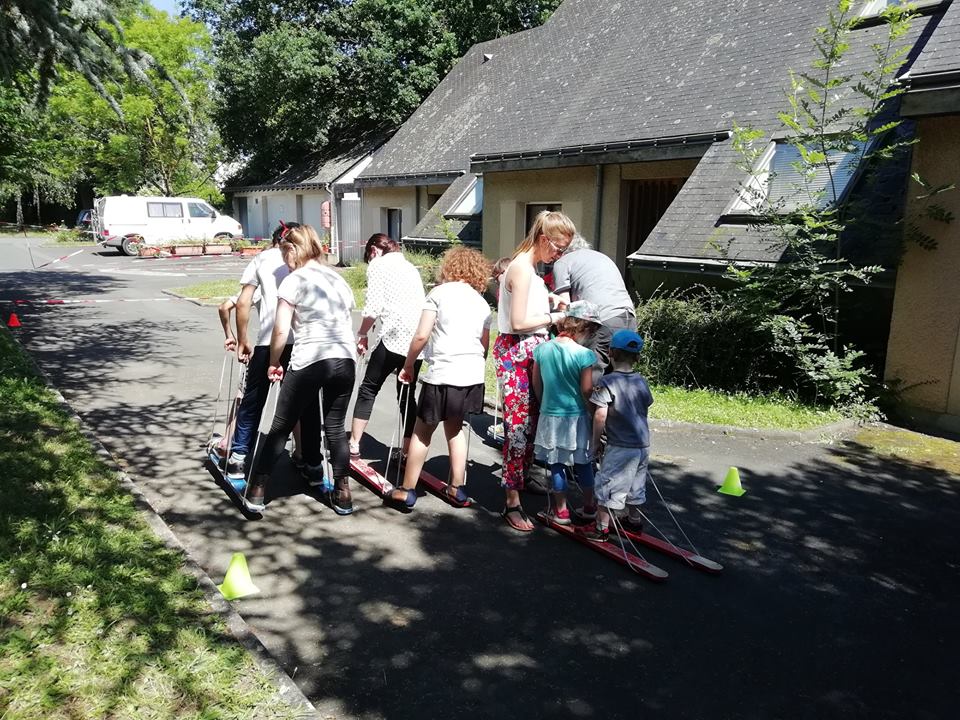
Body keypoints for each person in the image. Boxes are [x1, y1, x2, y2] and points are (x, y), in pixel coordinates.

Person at [245, 225, 357, 515]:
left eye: (285, 254)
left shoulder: (295, 280)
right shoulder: (338, 279)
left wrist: (273, 362)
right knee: (334, 428)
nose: (285, 261)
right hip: (345, 359)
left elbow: (281, 330)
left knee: (281, 425)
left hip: (311, 357)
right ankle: (343, 494)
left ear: (293, 249)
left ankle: (257, 490)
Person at [387, 247, 492, 508]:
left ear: (449, 267)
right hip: (471, 374)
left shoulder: (439, 293)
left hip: (443, 372)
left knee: (422, 430)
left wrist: (408, 365)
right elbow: (485, 344)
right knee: (455, 429)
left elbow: (422, 335)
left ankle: (407, 489)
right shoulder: (481, 302)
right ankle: (457, 487)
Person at [494, 210, 574, 532]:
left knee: (531, 423)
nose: (559, 255)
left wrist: (550, 297)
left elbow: (526, 303)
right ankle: (511, 502)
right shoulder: (522, 269)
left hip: (530, 351)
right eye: (557, 248)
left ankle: (522, 477)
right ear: (543, 239)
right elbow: (517, 323)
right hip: (517, 351)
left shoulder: (529, 269)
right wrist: (554, 317)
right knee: (517, 428)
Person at [227, 222, 298, 483]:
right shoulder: (309, 261)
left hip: (269, 340)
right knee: (303, 404)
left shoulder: (262, 259)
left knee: (253, 402)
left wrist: (243, 339)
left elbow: (244, 302)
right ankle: (308, 458)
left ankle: (238, 457)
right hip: (302, 343)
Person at [349, 233, 426, 462]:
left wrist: (362, 333)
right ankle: (406, 451)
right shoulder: (411, 268)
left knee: (369, 388)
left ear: (373, 250)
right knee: (407, 395)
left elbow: (373, 307)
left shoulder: (378, 265)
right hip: (416, 341)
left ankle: (353, 444)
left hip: (393, 338)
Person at [577, 330, 653, 542]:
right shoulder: (641, 381)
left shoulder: (606, 382)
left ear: (610, 352)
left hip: (619, 445)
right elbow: (647, 403)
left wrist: (594, 444)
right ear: (637, 357)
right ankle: (634, 521)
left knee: (607, 485)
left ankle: (601, 528)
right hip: (642, 444)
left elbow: (600, 415)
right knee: (636, 484)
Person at [532, 301, 601, 524]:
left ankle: (561, 510)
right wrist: (592, 412)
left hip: (550, 416)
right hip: (577, 416)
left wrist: (544, 404)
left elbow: (537, 382)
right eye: (591, 330)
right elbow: (586, 389)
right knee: (583, 462)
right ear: (582, 327)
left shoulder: (542, 349)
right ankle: (590, 505)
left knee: (556, 464)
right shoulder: (584, 355)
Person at [550, 235, 636, 379]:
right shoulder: (601, 256)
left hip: (603, 319)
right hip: (629, 317)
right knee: (619, 377)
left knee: (593, 376)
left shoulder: (563, 262)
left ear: (561, 250)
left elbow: (565, 307)